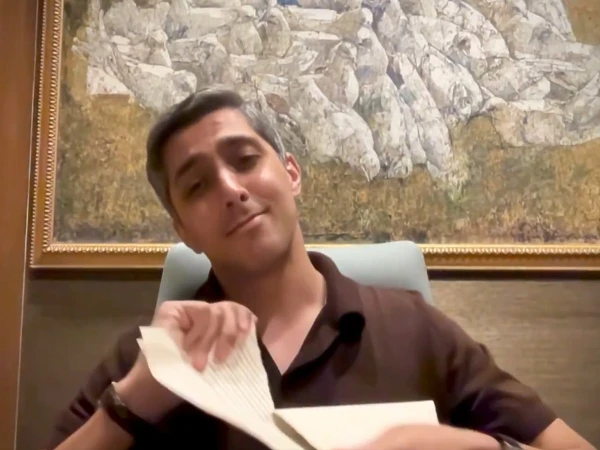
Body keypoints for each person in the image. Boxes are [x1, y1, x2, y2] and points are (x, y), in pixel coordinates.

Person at [47, 86, 595, 450]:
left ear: (291, 174)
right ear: (183, 229)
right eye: (196, 186)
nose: (231, 190)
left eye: (245, 160)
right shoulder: (147, 357)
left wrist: (478, 447)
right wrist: (133, 402)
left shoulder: (415, 329)